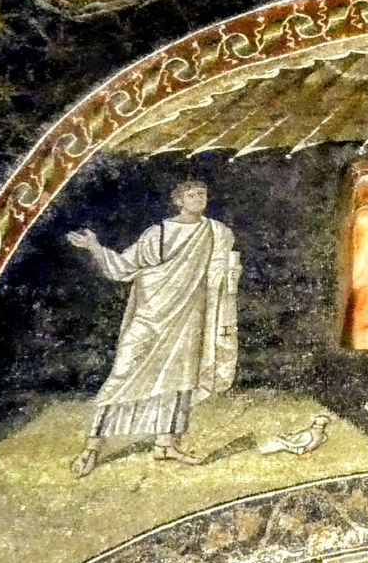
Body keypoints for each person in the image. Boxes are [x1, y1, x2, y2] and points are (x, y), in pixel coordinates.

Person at [67, 180, 240, 477]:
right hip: (151, 315)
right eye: (192, 195)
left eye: (203, 194)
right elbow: (123, 267)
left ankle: (166, 445)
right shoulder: (158, 233)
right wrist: (95, 247)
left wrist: (230, 275)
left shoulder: (217, 232)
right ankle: (92, 448)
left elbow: (219, 273)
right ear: (178, 200)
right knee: (123, 374)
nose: (199, 199)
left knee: (181, 379)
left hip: (188, 316)